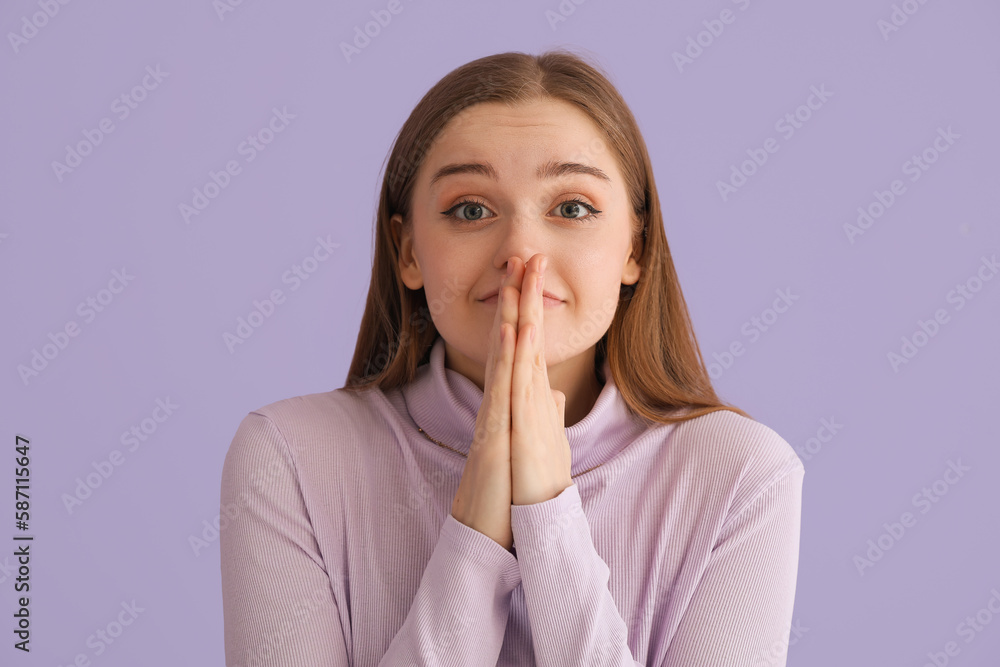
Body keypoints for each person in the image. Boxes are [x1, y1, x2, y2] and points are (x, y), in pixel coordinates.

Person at [220, 48, 805, 666]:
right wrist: (474, 533)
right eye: (471, 210)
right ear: (408, 251)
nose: (522, 250)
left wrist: (548, 511)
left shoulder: (741, 475)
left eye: (572, 208)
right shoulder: (289, 457)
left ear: (635, 247)